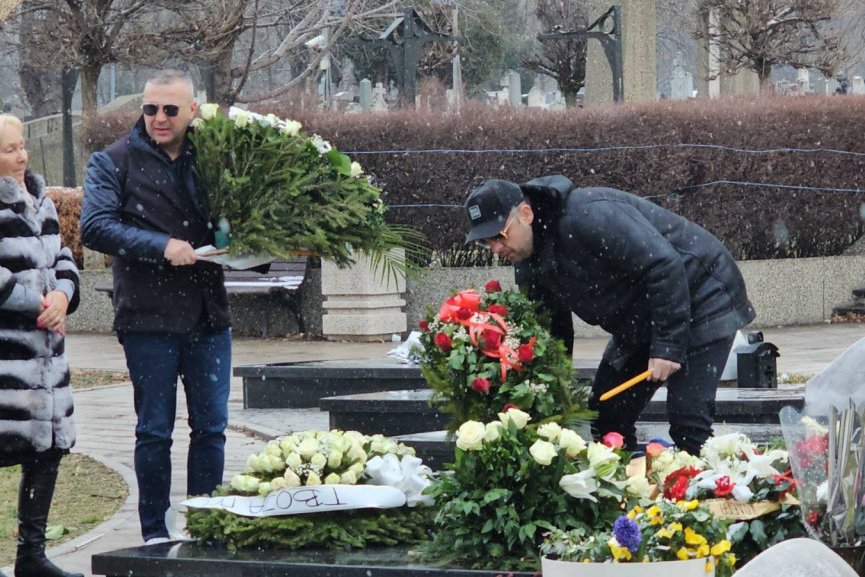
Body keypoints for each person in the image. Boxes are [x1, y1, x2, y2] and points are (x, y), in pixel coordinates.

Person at [463, 175, 755, 455]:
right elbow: (552, 330)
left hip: (703, 295)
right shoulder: (528, 262)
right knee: (606, 414)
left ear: (525, 213)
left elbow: (664, 265)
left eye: (499, 236)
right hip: (640, 321)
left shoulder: (588, 215)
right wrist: (550, 388)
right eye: (486, 243)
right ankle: (627, 496)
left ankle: (711, 495)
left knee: (688, 421)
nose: (497, 249)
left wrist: (667, 345)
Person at [80, 69, 232, 544]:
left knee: (211, 428)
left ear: (192, 111)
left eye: (170, 109)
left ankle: (205, 525)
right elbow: (96, 227)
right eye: (150, 109)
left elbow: (236, 215)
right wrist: (161, 245)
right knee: (154, 430)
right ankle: (153, 533)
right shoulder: (113, 161)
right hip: (148, 316)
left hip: (209, 314)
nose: (159, 118)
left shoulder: (214, 158)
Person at [0, 114, 83, 577]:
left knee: (46, 450)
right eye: (9, 149)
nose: (21, 155)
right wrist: (36, 303)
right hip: (6, 355)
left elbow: (65, 259)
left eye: (22, 145)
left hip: (47, 360)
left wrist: (62, 297)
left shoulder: (43, 201)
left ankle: (31, 556)